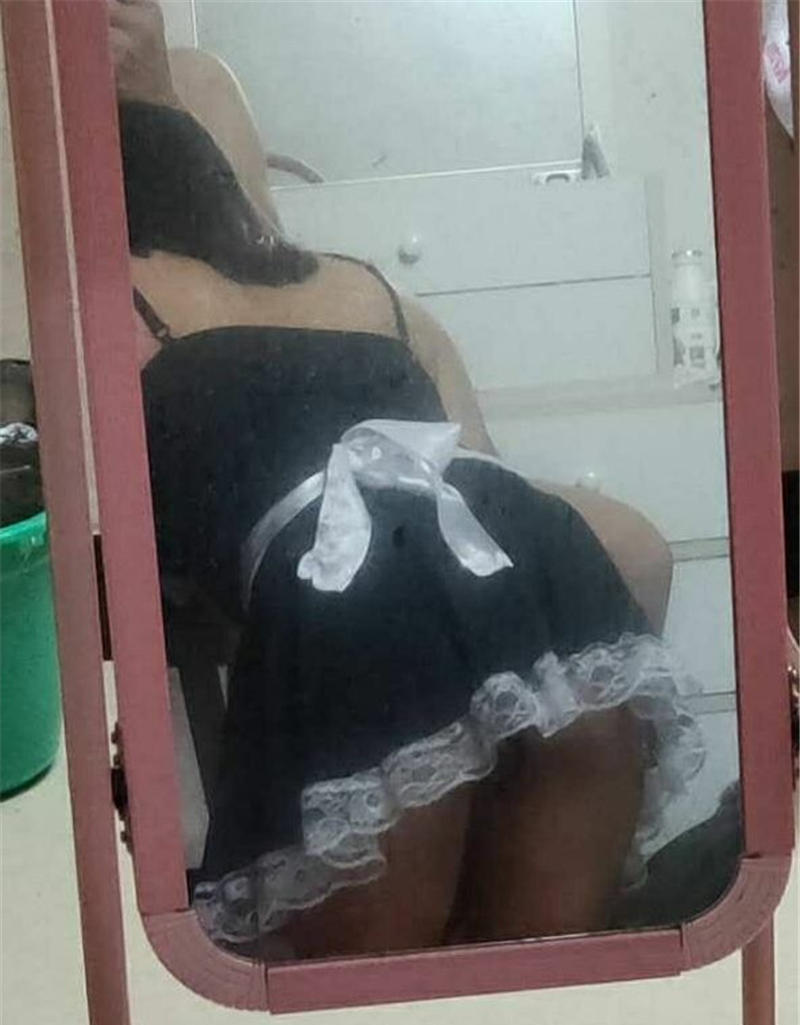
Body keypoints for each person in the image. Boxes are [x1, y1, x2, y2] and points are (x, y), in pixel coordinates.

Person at [112, 5, 703, 959]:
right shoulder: (102, 308)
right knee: (437, 960)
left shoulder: (357, 289)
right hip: (370, 591)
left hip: (482, 552)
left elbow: (479, 458)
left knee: (534, 939)